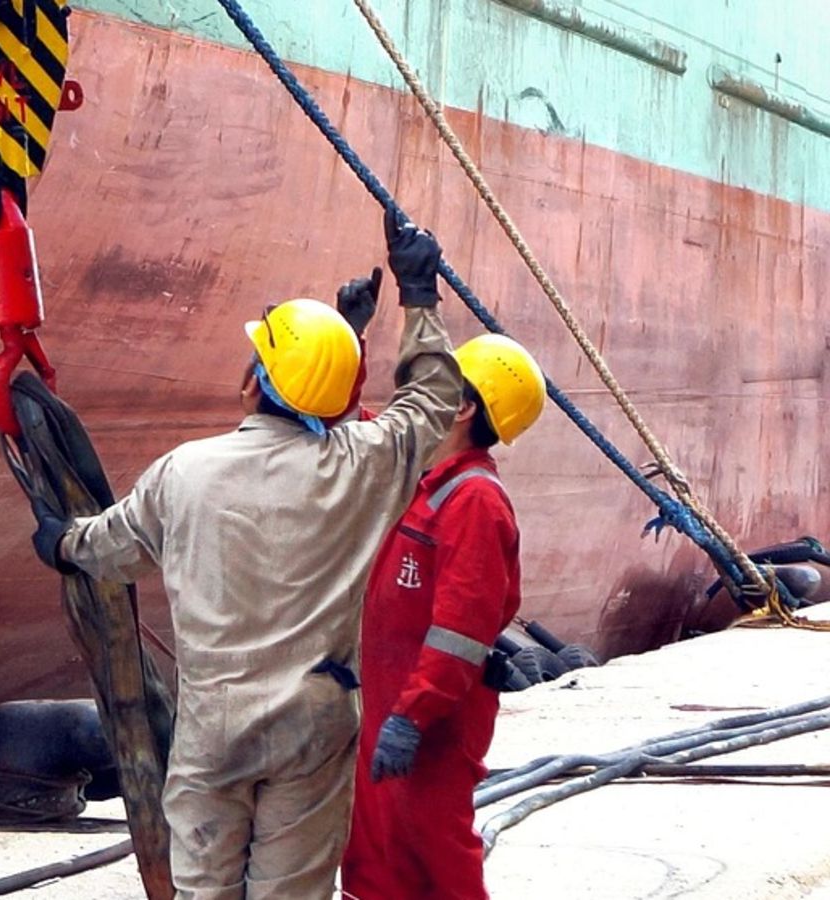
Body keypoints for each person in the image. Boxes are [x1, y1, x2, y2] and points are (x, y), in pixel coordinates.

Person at [29, 212, 464, 899]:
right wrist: (419, 296)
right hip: (315, 722)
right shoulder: (363, 467)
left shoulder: (185, 473)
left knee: (203, 890)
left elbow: (111, 549)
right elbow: (433, 403)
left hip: (216, 729)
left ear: (253, 380)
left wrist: (60, 541)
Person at [340, 333, 548, 900]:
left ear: (462, 407)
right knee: (376, 856)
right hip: (389, 703)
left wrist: (413, 717)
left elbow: (462, 631)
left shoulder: (474, 502)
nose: (411, 395)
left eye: (431, 385)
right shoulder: (421, 476)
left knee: (433, 853)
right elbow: (342, 430)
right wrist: (349, 345)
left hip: (428, 720)